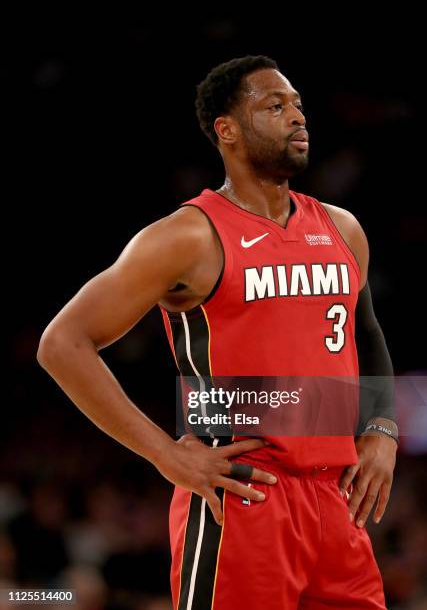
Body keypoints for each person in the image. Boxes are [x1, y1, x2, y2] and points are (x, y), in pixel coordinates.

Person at [37, 55, 398, 609]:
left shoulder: (341, 226)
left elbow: (364, 329)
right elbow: (62, 343)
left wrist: (382, 424)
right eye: (275, 107)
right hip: (243, 494)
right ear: (226, 130)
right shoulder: (187, 235)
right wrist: (163, 452)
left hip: (334, 497)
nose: (298, 118)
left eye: (298, 106)